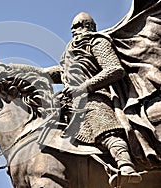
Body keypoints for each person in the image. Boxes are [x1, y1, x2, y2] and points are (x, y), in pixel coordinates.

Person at [58, 12, 142, 184]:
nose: (74, 31)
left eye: (78, 26)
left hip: (95, 97)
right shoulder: (70, 53)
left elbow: (114, 69)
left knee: (103, 125)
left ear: (88, 26)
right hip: (68, 103)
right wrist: (11, 71)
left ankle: (126, 166)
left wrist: (83, 87)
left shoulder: (97, 41)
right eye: (73, 28)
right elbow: (49, 73)